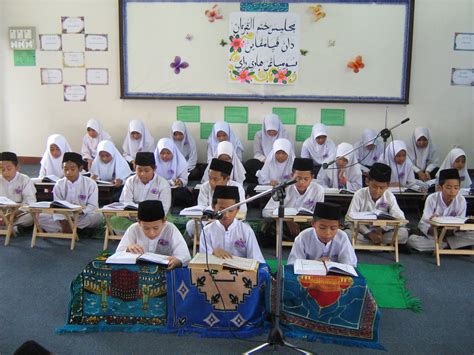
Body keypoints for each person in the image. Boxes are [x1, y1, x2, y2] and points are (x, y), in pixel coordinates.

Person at [407, 169, 474, 251]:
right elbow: (424, 223)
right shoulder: (432, 198)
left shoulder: (461, 200)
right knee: (412, 241)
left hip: (452, 235)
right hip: (433, 234)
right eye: (449, 187)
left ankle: (443, 244)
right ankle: (450, 245)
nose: (453, 191)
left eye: (456, 188)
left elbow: (460, 223)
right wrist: (432, 222)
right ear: (440, 187)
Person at [345, 163, 408, 245]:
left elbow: (401, 219)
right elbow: (349, 220)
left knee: (403, 233)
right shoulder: (359, 194)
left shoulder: (389, 196)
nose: (377, 191)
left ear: (388, 186)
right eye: (374, 186)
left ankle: (372, 243)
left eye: (382, 188)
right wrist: (369, 234)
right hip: (363, 232)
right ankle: (380, 244)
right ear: (367, 181)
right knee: (347, 234)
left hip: (382, 233)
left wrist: (381, 229)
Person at [262, 158, 325, 241]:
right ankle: (301, 240)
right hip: (284, 222)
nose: (302, 182)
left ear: (312, 177)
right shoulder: (283, 188)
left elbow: (319, 215)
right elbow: (266, 212)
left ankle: (298, 238)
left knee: (320, 229)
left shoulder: (318, 190)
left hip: (306, 224)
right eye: (298, 178)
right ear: (292, 175)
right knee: (268, 225)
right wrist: (287, 220)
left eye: (306, 179)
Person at [38, 152, 102, 233]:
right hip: (64, 217)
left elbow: (93, 206)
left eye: (72, 169)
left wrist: (80, 211)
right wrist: (63, 221)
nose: (68, 172)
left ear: (80, 168)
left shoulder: (90, 183)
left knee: (97, 216)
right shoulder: (59, 184)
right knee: (39, 217)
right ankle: (75, 230)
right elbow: (57, 207)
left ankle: (66, 229)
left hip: (81, 216)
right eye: (65, 169)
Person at [116, 200, 191, 269]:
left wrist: (178, 261)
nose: (151, 233)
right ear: (139, 222)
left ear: (164, 221)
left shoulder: (170, 229)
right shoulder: (134, 229)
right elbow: (118, 254)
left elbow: (184, 255)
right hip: (140, 271)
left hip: (165, 270)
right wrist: (128, 249)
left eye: (156, 228)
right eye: (146, 228)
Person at [199, 185, 265, 263]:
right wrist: (213, 253)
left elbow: (256, 259)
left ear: (237, 209)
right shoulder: (207, 231)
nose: (226, 215)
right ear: (213, 207)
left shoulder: (246, 230)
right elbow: (203, 260)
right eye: (221, 210)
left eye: (230, 211)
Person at [185, 159, 246, 238]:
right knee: (191, 225)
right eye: (210, 178)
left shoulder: (237, 188)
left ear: (227, 179)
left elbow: (242, 211)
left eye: (215, 179)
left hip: (229, 221)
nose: (211, 182)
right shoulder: (204, 187)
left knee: (243, 228)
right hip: (208, 222)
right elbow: (202, 209)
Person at [288, 202, 357, 267]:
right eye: (322, 228)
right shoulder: (303, 237)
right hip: (309, 276)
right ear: (313, 224)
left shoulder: (342, 237)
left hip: (335, 277)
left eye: (333, 228)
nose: (327, 233)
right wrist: (316, 264)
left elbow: (349, 264)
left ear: (339, 226)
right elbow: (294, 263)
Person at [245, 113, 289, 183]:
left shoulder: (285, 134)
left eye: (274, 131)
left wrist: (278, 159)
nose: (271, 133)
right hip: (265, 162)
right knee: (250, 164)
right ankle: (264, 182)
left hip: (281, 161)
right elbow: (257, 153)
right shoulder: (259, 135)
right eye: (269, 131)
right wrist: (267, 160)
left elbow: (289, 152)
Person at [0, 152, 36, 231]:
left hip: (19, 212)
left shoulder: (24, 179)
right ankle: (13, 229)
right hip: (2, 212)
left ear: (17, 167)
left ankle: (9, 228)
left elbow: (30, 202)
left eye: (9, 168)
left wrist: (13, 214)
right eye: (2, 169)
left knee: (32, 216)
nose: (5, 172)